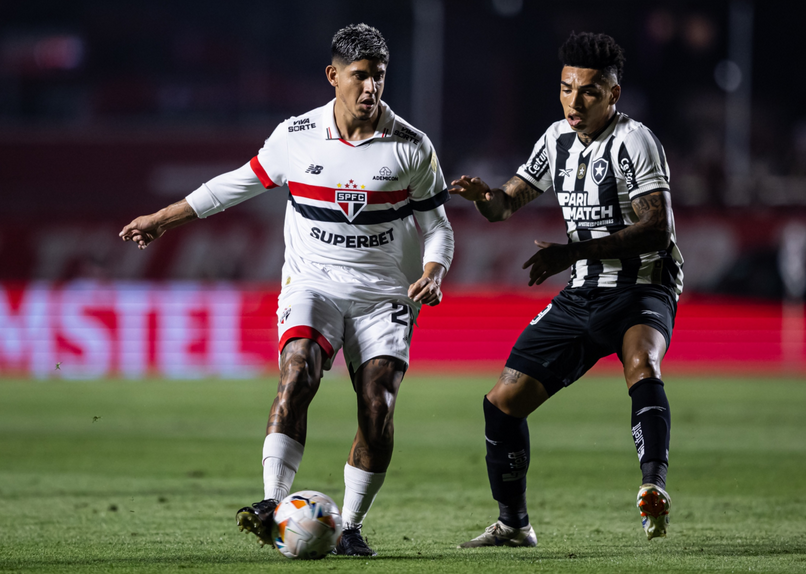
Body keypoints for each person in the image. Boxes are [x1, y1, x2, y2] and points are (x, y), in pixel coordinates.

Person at [119, 23, 454, 557]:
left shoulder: (412, 147)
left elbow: (438, 227)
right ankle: (273, 507)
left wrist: (434, 271)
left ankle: (351, 527)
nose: (371, 89)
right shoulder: (296, 136)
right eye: (360, 76)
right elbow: (234, 184)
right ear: (334, 76)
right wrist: (164, 217)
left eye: (380, 77)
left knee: (378, 403)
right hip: (313, 282)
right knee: (297, 369)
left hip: (384, 294)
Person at [450, 31, 683, 547]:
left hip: (641, 285)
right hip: (582, 294)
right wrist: (484, 197)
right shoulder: (555, 139)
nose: (574, 102)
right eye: (566, 89)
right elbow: (507, 204)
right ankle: (513, 524)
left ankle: (653, 487)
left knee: (643, 362)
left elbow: (657, 228)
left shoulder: (635, 141)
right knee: (501, 404)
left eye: (589, 92)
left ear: (613, 95)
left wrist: (572, 251)